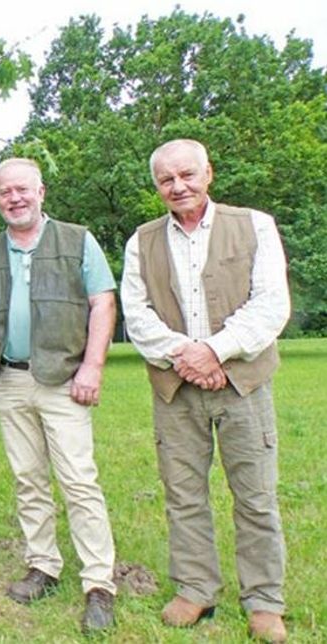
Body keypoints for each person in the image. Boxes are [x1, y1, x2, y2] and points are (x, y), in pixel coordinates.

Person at [121, 139, 290, 643]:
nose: (179, 186)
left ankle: (264, 600)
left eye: (187, 175)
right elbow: (138, 314)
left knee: (256, 497)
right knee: (184, 494)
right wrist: (189, 357)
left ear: (208, 173)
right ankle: (195, 589)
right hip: (177, 388)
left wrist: (216, 351)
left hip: (244, 384)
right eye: (167, 180)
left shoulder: (254, 224)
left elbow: (271, 304)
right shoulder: (141, 241)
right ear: (158, 188)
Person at [0, 158, 117, 634]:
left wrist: (92, 365)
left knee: (78, 480)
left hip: (65, 379)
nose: (15, 198)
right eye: (5, 192)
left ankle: (99, 584)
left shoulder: (78, 240)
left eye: (22, 189)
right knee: (28, 478)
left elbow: (102, 302)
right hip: (10, 379)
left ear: (41, 191)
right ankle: (43, 565)